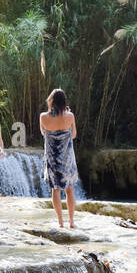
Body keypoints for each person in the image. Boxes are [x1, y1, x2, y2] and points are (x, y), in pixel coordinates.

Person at [40, 89, 79, 229]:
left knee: (55, 190)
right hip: (67, 158)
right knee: (70, 190)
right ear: (64, 102)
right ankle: (71, 222)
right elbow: (73, 135)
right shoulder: (70, 116)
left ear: (51, 101)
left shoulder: (43, 117)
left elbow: (43, 133)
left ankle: (60, 223)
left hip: (52, 159)